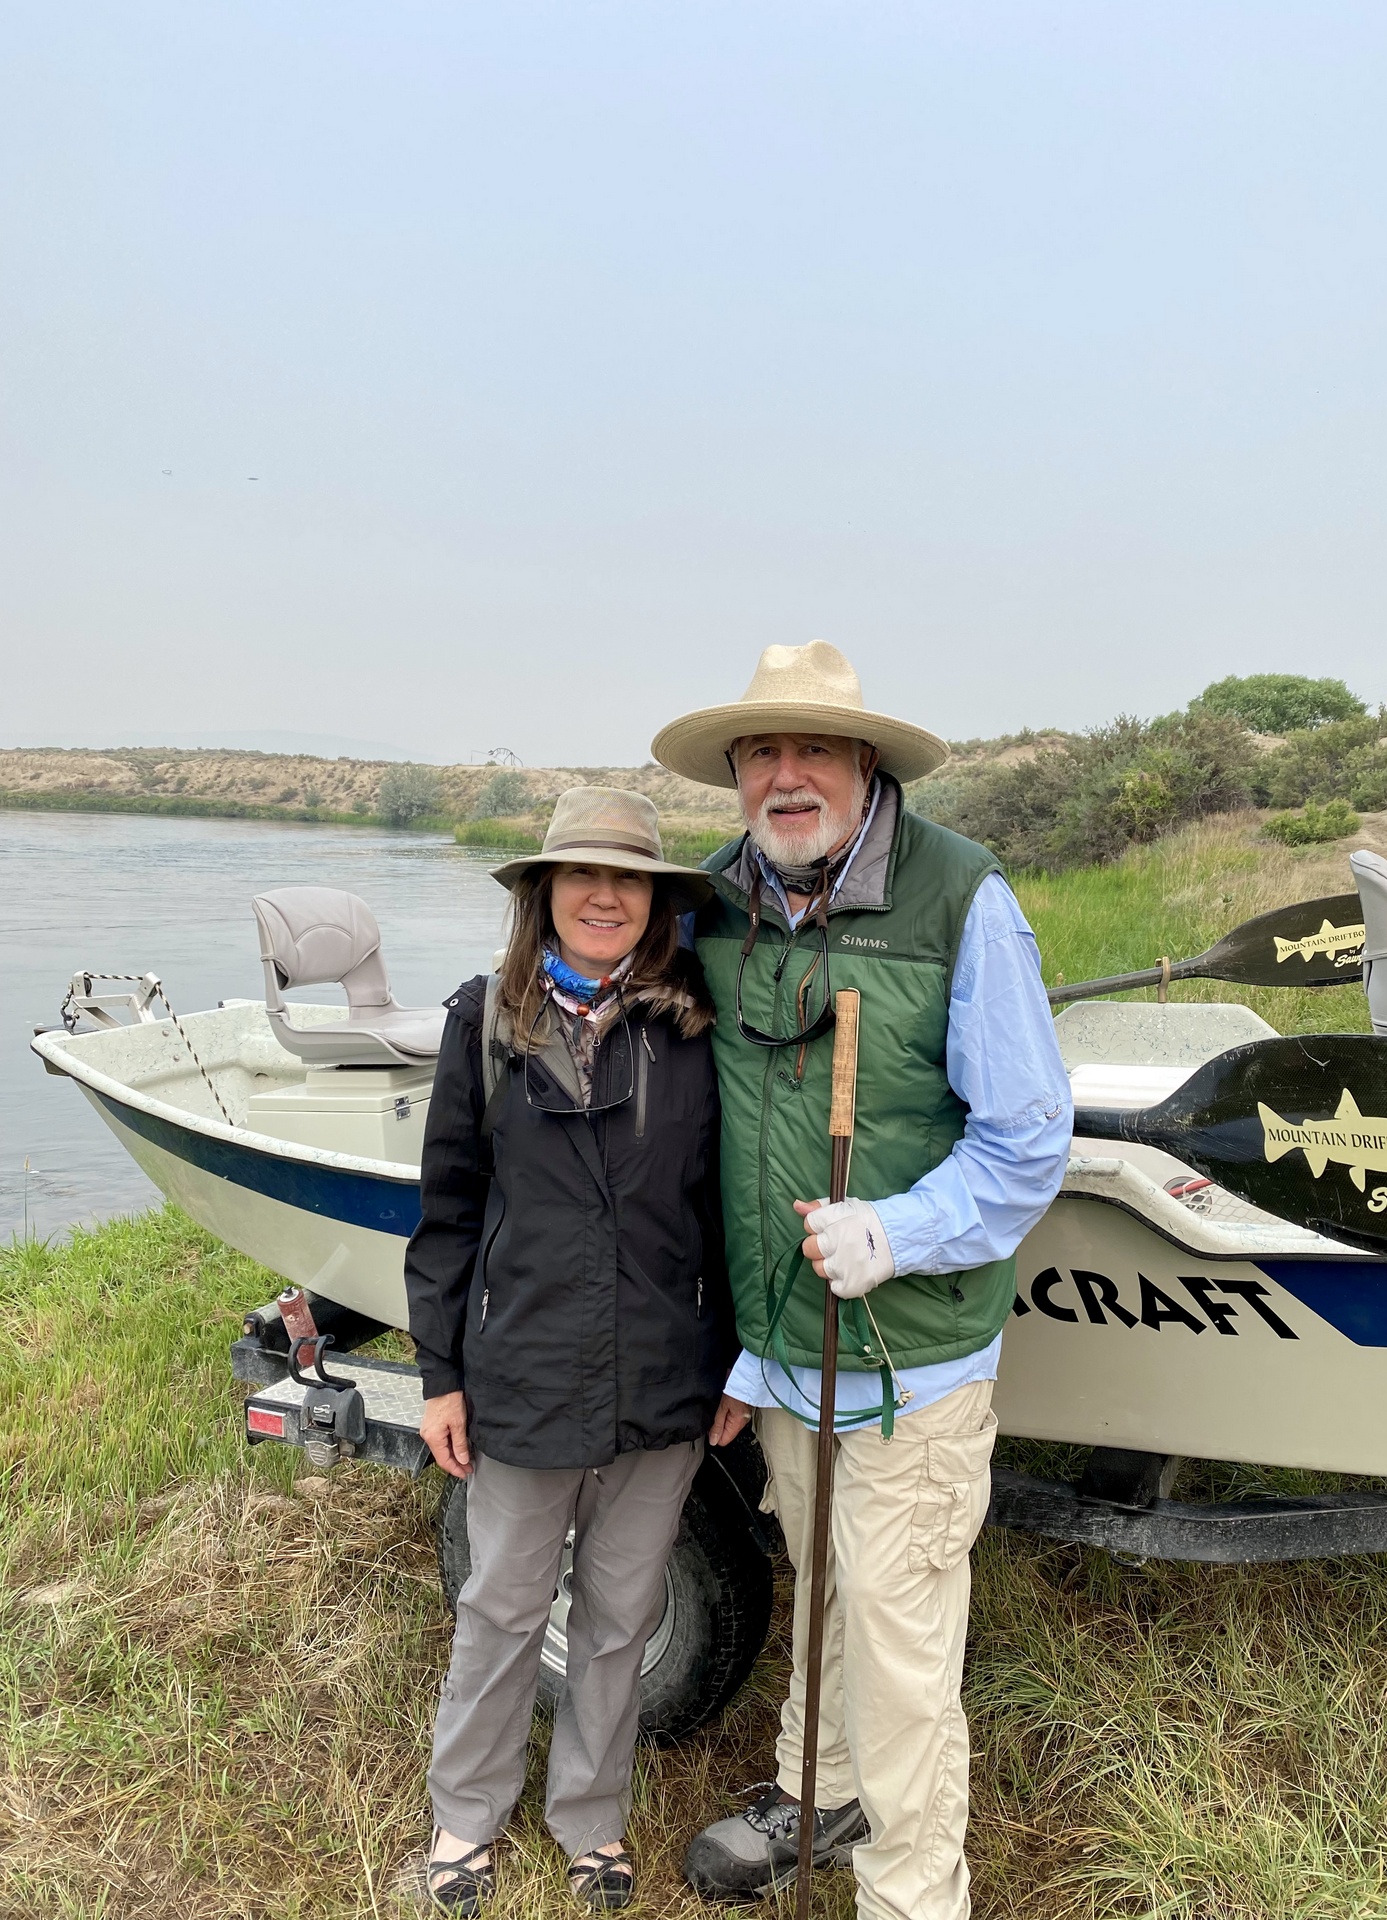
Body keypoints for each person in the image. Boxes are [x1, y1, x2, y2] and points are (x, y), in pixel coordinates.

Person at [651, 642, 1073, 1920]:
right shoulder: (715, 900)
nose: (787, 777)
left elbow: (1028, 1137)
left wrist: (896, 1231)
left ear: (864, 766)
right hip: (783, 1348)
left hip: (913, 1359)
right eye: (760, 755)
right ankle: (813, 1788)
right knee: (824, 1577)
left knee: (898, 1651)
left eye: (814, 751)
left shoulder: (963, 899)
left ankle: (910, 1893)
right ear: (736, 778)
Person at [405, 786, 733, 1915]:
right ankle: (465, 1818)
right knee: (502, 1609)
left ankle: (590, 1824)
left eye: (629, 879)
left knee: (618, 1617)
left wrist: (733, 1360)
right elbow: (447, 1211)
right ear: (543, 893)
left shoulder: (696, 1034)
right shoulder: (482, 1023)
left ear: (655, 903)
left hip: (662, 1381)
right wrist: (441, 1375)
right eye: (583, 875)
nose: (605, 895)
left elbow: (724, 1215)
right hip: (524, 1376)